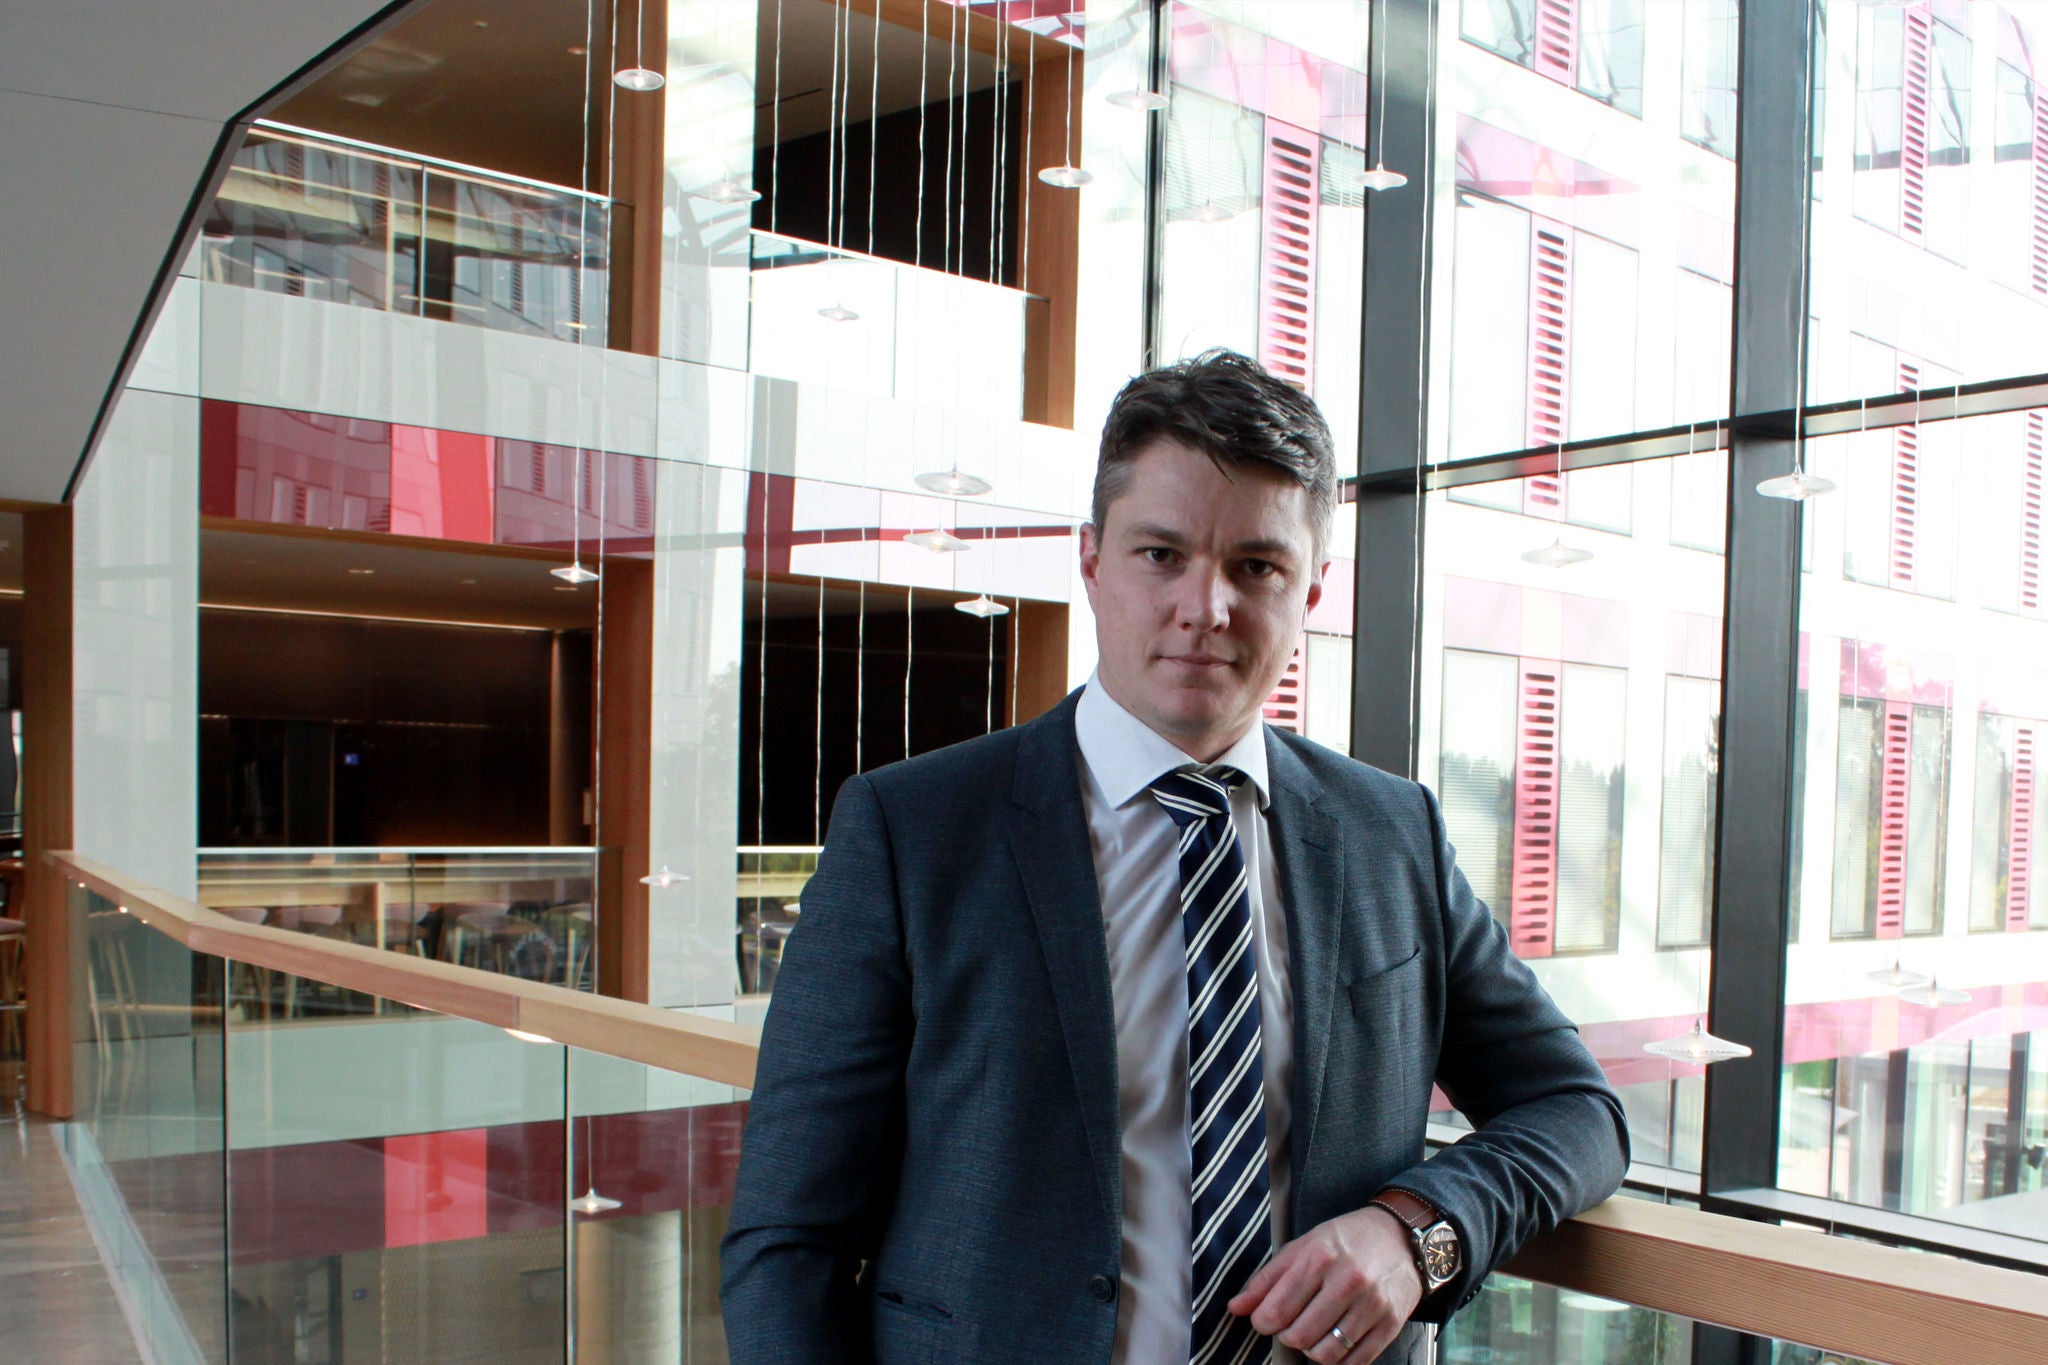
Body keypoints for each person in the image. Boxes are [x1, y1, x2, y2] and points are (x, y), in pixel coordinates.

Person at [720, 350, 1628, 1364]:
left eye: (1257, 566)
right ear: (1090, 561)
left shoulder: (1390, 831)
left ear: (1311, 589)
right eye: (1161, 554)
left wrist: (1417, 1231)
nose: (1207, 607)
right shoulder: (912, 830)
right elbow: (787, 1243)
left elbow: (1576, 1110)